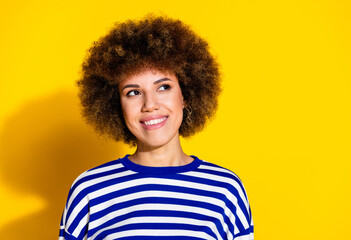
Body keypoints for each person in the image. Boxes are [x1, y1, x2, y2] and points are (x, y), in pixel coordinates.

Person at [59, 15, 254, 240]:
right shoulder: (89, 190)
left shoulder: (226, 190)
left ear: (186, 95)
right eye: (133, 92)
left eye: (163, 87)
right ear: (116, 105)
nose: (150, 105)